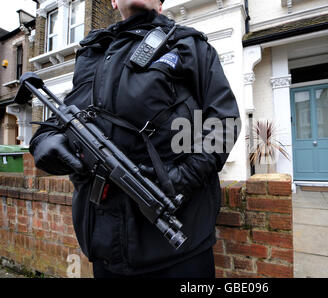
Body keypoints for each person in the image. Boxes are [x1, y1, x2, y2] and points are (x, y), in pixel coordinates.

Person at [29, 0, 240, 278]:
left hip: (178, 249)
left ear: (161, 4)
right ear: (114, 1)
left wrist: (178, 178)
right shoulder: (93, 54)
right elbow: (63, 118)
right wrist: (44, 140)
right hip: (105, 248)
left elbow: (221, 125)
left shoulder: (188, 46)